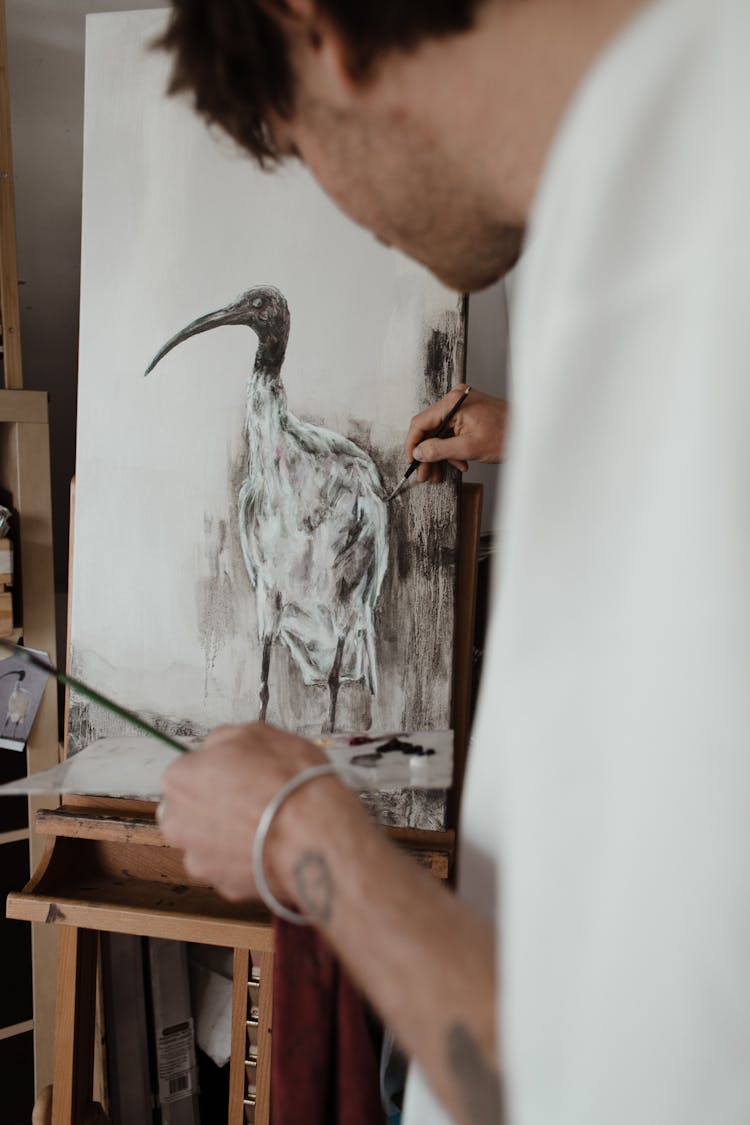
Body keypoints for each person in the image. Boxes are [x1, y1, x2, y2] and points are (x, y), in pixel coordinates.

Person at [156, 2, 750, 1123]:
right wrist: (535, 430)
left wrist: (302, 829)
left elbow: (614, 1088)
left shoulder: (704, 235)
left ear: (316, 25)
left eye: (296, 149)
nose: (335, 207)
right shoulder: (653, 191)